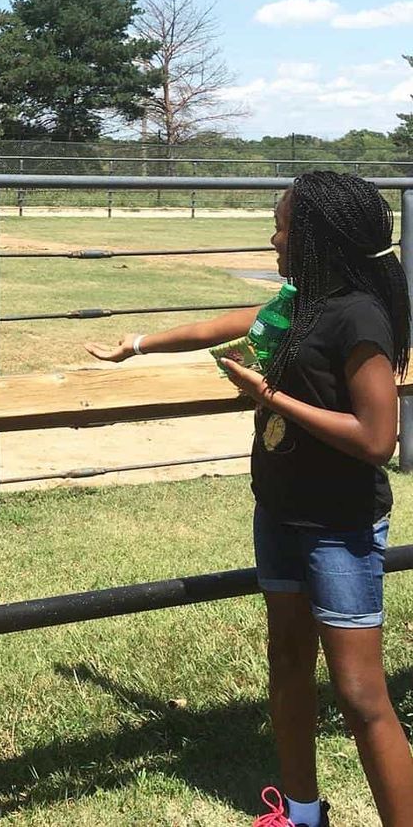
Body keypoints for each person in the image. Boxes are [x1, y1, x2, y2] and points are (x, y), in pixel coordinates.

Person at [86, 171, 413, 827]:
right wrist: (139, 344)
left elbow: (378, 437)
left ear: (317, 236)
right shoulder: (299, 302)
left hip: (338, 525)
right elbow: (222, 323)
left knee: (359, 693)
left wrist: (268, 395)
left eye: (284, 225)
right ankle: (299, 813)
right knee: (288, 660)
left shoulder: (359, 315)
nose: (274, 236)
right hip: (281, 510)